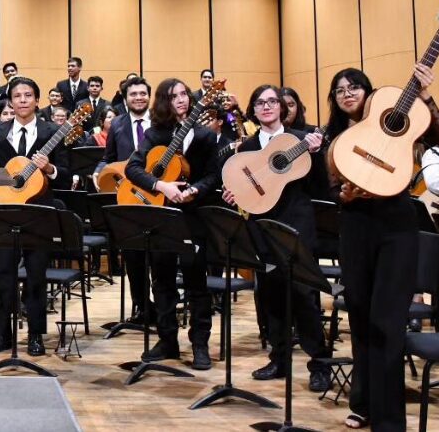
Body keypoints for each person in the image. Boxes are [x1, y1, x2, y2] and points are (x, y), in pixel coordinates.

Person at [325, 66, 431, 431]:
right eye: (340, 90)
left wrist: (426, 95)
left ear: (370, 93)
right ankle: (364, 401)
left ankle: (389, 420)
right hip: (356, 227)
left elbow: (435, 135)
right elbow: (328, 189)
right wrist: (342, 195)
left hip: (396, 227)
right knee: (359, 316)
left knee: (387, 322)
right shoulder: (334, 136)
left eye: (354, 86)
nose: (347, 93)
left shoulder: (399, 120)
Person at [222, 85, 332, 392]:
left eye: (272, 101)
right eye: (260, 102)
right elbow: (238, 188)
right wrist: (232, 195)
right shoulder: (247, 147)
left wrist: (316, 154)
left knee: (304, 297)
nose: (267, 106)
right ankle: (279, 358)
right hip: (262, 227)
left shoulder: (300, 139)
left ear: (282, 107)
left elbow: (320, 188)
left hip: (297, 226)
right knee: (270, 296)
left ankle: (320, 363)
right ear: (253, 110)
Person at [125, 77, 219, 370]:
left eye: (184, 94)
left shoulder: (205, 135)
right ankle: (167, 341)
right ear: (165, 102)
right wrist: (161, 185)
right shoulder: (155, 134)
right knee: (162, 280)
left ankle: (200, 344)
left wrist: (196, 190)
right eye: (173, 95)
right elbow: (132, 168)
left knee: (196, 282)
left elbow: (214, 174)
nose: (181, 99)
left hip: (194, 215)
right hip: (162, 215)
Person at [0, 77, 72, 357]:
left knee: (36, 276)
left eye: (28, 95)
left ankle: (35, 336)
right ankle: (1, 334)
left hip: (39, 212)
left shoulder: (52, 132)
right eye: (17, 96)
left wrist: (50, 169)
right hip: (5, 212)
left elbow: (66, 175)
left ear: (37, 100)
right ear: (10, 101)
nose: (22, 100)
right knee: (2, 274)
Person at [94, 76, 152, 324]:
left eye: (142, 93)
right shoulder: (117, 124)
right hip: (128, 197)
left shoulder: (161, 121)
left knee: (159, 256)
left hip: (157, 196)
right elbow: (108, 158)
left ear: (149, 96)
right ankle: (142, 307)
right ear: (125, 98)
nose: (138, 98)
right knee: (133, 256)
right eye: (133, 94)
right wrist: (99, 170)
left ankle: (163, 309)